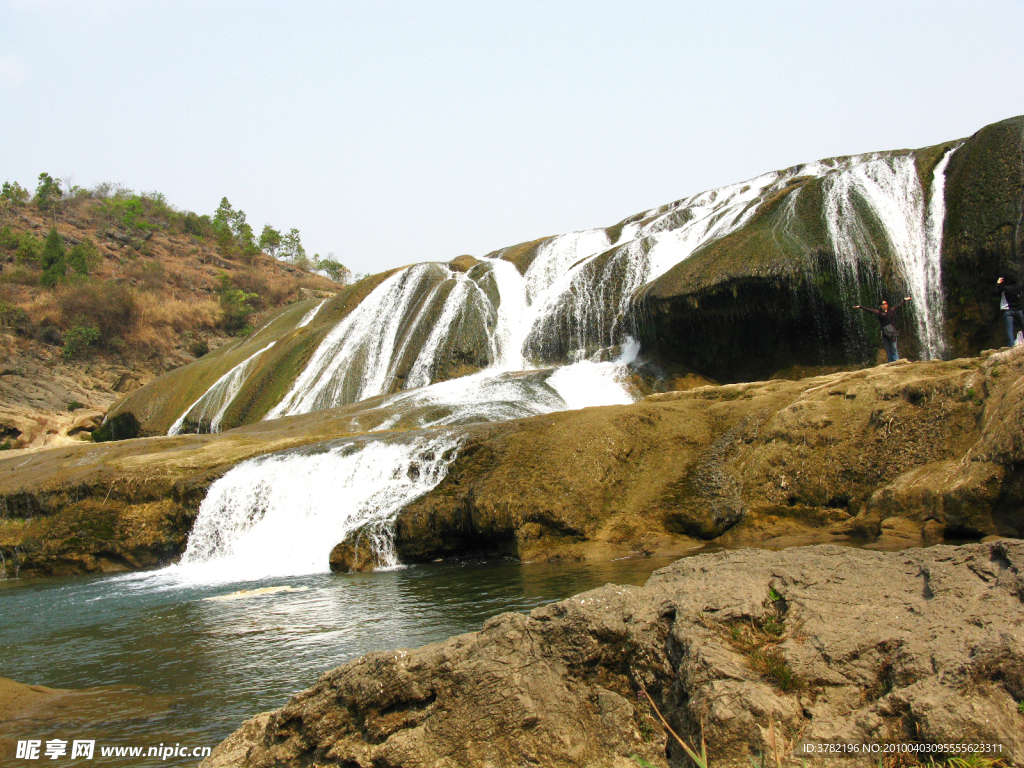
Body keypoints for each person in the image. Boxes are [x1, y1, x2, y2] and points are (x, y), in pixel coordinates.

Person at [854, 296, 912, 363]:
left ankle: (896, 361)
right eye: (883, 304)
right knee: (888, 348)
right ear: (880, 306)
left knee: (894, 347)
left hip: (892, 332)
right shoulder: (879, 312)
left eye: (886, 304)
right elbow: (869, 310)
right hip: (885, 333)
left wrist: (905, 300)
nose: (885, 305)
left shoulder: (891, 310)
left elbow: (899, 305)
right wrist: (860, 307)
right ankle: (891, 362)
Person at [996, 273, 1023, 347]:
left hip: (1008, 310)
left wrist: (998, 283)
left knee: (1009, 329)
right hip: (1018, 309)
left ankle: (1011, 345)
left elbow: (996, 292)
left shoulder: (1005, 288)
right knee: (1023, 325)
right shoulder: (1019, 286)